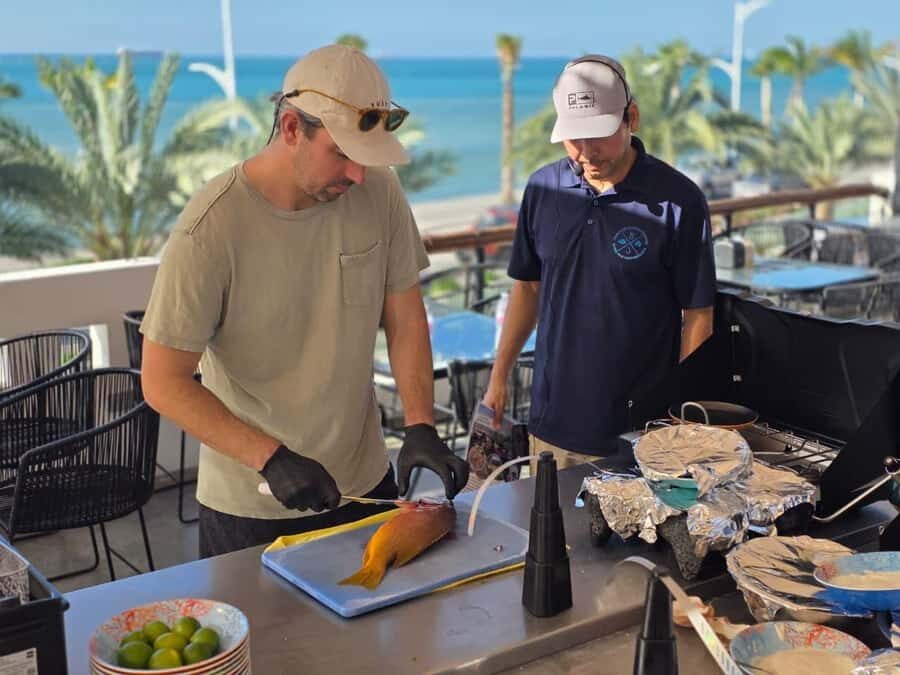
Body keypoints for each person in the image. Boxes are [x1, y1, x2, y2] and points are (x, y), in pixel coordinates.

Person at [139, 44, 468, 558]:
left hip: (367, 482)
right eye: (342, 153)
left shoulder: (379, 192)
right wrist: (269, 457)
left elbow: (405, 320)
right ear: (292, 128)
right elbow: (163, 382)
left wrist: (421, 424)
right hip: (254, 501)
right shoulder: (210, 229)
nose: (358, 175)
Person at [483, 54, 715, 469]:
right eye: (574, 139)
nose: (587, 153)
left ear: (632, 118)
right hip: (551, 424)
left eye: (599, 136)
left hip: (642, 433)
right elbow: (528, 289)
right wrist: (498, 376)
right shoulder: (543, 189)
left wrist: (682, 417)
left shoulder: (680, 201)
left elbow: (698, 314)